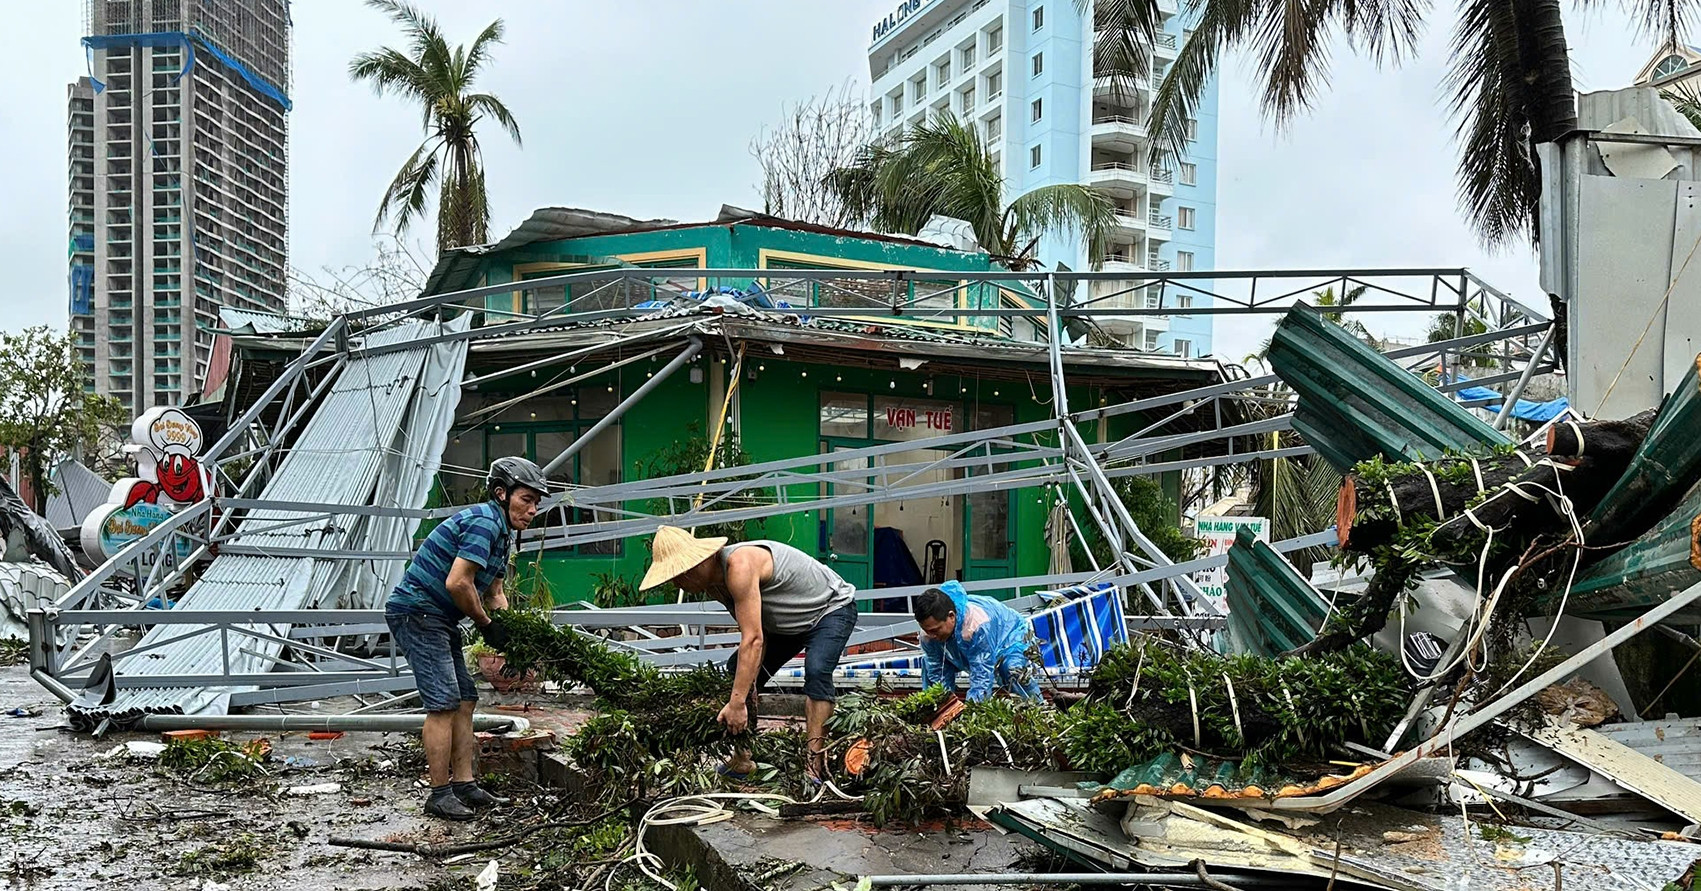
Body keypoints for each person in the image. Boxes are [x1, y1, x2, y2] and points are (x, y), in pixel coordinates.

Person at [385, 456, 548, 820]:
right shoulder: (483, 523)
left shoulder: (503, 534)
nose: (533, 509)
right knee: (443, 702)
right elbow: (457, 582)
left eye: (538, 502)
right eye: (526, 499)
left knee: (465, 699)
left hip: (439, 617)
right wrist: (487, 625)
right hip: (418, 611)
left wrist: (513, 633)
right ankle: (439, 793)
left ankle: (464, 784)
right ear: (501, 494)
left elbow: (495, 591)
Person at [640, 525, 858, 783]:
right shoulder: (715, 585)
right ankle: (743, 760)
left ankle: (814, 767)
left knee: (817, 670)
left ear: (697, 564)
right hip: (784, 624)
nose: (678, 584)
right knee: (737, 675)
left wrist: (737, 703)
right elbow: (757, 634)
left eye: (679, 576)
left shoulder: (739, 566)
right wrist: (741, 692)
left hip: (829, 609)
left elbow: (752, 640)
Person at [913, 581, 1042, 702]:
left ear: (951, 616)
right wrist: (943, 701)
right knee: (928, 666)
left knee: (1011, 670)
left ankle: (1037, 709)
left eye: (936, 630)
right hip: (962, 646)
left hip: (1010, 638)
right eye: (927, 630)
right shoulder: (928, 635)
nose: (931, 635)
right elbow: (937, 671)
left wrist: (973, 710)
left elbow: (982, 676)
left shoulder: (976, 626)